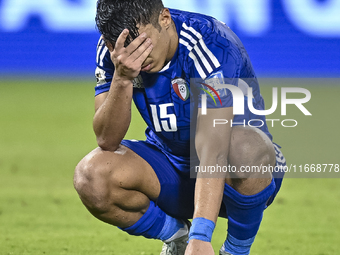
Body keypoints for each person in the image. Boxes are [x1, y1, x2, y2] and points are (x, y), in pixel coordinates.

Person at [73, 0, 286, 254]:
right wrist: (121, 77)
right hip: (172, 170)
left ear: (164, 18)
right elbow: (107, 140)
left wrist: (202, 236)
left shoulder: (211, 44)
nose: (136, 59)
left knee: (245, 149)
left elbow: (213, 149)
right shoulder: (116, 50)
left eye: (142, 44)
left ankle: (236, 250)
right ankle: (176, 236)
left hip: (240, 177)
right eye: (127, 50)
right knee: (91, 175)